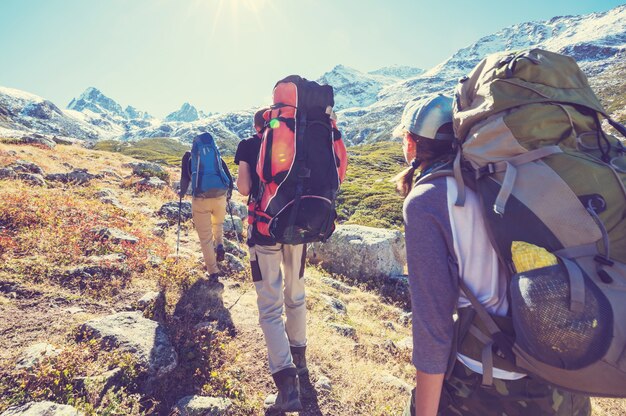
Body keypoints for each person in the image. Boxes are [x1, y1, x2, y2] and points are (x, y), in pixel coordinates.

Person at [394, 94, 591, 416]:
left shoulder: (429, 201)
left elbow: (433, 325)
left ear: (411, 143)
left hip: (488, 386)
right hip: (563, 374)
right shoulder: (516, 179)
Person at [234, 108, 307, 412]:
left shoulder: (249, 145)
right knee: (296, 295)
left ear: (257, 126)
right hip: (299, 229)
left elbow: (245, 188)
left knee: (269, 307)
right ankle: (299, 360)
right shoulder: (299, 143)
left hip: (265, 231)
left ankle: (288, 388)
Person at [179, 131, 233, 281]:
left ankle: (213, 271)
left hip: (201, 198)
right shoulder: (216, 155)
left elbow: (185, 178)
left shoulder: (188, 156)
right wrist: (228, 195)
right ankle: (220, 244)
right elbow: (228, 177)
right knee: (218, 223)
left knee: (205, 238)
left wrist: (182, 194)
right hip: (220, 197)